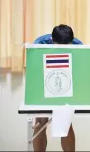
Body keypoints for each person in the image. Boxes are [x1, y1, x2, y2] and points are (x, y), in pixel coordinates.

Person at [33, 24, 82, 152]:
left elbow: (80, 70)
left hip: (66, 86)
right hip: (43, 85)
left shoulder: (79, 46)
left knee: (65, 123)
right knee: (40, 122)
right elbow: (34, 70)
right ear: (52, 40)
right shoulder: (39, 43)